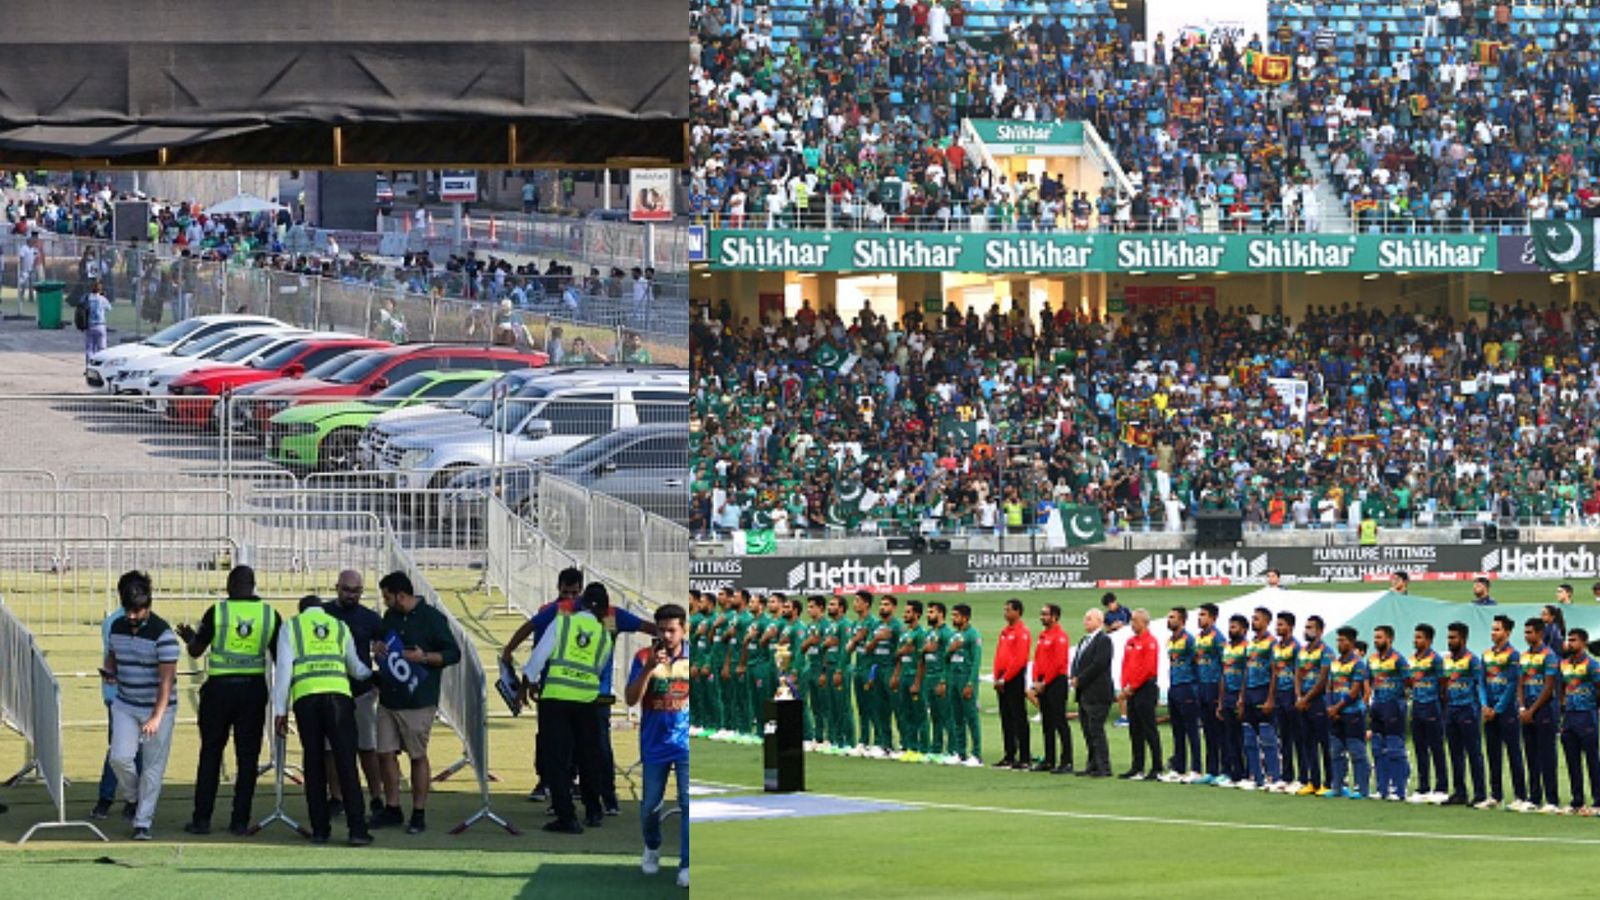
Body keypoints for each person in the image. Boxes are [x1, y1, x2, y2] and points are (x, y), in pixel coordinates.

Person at [173, 565, 281, 836]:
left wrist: (190, 638)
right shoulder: (269, 615)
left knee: (211, 753)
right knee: (248, 759)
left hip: (219, 690)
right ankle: (240, 821)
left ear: (230, 584)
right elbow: (280, 657)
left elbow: (196, 651)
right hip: (253, 690)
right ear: (253, 585)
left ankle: (201, 820)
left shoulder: (217, 612)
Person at [272, 595, 374, 845]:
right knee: (346, 763)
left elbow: (283, 670)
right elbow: (355, 667)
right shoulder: (339, 626)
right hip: (339, 698)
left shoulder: (292, 626)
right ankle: (357, 830)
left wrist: (280, 710)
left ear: (301, 610)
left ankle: (320, 830)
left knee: (314, 763)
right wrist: (375, 676)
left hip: (306, 699)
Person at [369, 570, 461, 835]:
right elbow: (382, 642)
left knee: (417, 755)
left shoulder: (432, 618)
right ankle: (393, 807)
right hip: (389, 698)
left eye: (387, 597)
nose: (385, 602)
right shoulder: (390, 617)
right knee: (384, 753)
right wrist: (378, 647)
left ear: (401, 595)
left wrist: (425, 657)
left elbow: (453, 653)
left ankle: (418, 812)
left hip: (419, 700)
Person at [526, 583, 614, 833]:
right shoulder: (605, 636)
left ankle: (566, 816)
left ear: (581, 603)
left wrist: (530, 682)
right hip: (587, 700)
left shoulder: (563, 622)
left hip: (555, 697)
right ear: (604, 610)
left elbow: (539, 655)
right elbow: (598, 667)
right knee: (589, 757)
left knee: (557, 758)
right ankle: (594, 810)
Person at [103, 570, 180, 840]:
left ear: (149, 605)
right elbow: (112, 656)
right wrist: (110, 671)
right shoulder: (116, 627)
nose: (133, 616)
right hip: (125, 703)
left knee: (152, 768)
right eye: (129, 610)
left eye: (138, 610)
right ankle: (134, 796)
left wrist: (157, 717)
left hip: (157, 708)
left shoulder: (164, 635)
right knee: (119, 758)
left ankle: (142, 823)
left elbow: (166, 681)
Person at [627, 603, 690, 890]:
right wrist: (649, 669)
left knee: (688, 803)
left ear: (683, 630)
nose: (666, 636)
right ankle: (652, 846)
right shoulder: (643, 657)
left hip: (685, 744)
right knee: (650, 806)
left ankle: (686, 863)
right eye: (661, 630)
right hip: (654, 743)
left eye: (672, 630)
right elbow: (631, 699)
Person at [321, 570, 386, 818]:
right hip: (331, 690)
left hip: (361, 692)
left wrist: (378, 676)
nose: (351, 595)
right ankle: (336, 797)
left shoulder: (370, 618)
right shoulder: (323, 614)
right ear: (337, 587)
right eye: (347, 590)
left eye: (356, 591)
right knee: (330, 750)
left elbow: (386, 649)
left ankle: (376, 796)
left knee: (367, 748)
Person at [91, 603, 141, 821]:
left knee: (123, 750)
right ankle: (121, 799)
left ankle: (113, 799)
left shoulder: (113, 621)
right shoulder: (118, 622)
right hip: (124, 696)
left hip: (122, 695)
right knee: (127, 751)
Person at [1481, 615, 1526, 810]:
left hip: (1507, 712)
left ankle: (1520, 796)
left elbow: (1512, 684)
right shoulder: (1486, 654)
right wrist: (1484, 705)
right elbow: (1482, 682)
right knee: (1493, 754)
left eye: (1497, 629)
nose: (1493, 632)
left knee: (1514, 753)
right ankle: (1495, 796)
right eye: (1492, 629)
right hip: (1489, 710)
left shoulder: (1513, 655)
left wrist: (1497, 709)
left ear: (1507, 632)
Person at [1442, 622, 1489, 807]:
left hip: (1468, 709)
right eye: (1448, 637)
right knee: (1455, 753)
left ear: (1463, 639)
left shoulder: (1473, 660)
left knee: (1473, 752)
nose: (1449, 641)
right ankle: (1459, 792)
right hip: (1451, 710)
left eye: (1453, 637)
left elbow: (1480, 684)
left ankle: (1480, 793)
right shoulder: (1447, 660)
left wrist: (1482, 706)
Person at [1519, 617, 1562, 814]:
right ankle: (1534, 797)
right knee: (1531, 754)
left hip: (1544, 709)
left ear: (1540, 634)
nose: (1526, 636)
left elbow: (1549, 687)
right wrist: (1522, 707)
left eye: (1530, 632)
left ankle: (1552, 799)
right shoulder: (1524, 656)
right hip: (1527, 709)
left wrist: (1532, 710)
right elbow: (1520, 682)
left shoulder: (1549, 655)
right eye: (1525, 632)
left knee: (1547, 755)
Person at [1325, 627, 1372, 799]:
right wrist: (1330, 707)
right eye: (1338, 640)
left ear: (1352, 643)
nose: (1339, 643)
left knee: (1356, 751)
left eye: (1343, 640)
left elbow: (1354, 692)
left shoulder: (1358, 664)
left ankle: (1362, 789)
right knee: (1336, 751)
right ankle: (1338, 787)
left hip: (1352, 713)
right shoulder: (1335, 663)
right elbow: (1329, 687)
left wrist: (1336, 708)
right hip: (1335, 713)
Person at [1238, 607, 1281, 791]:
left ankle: (1274, 777)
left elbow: (1275, 672)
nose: (1253, 621)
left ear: (1266, 622)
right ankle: (1255, 776)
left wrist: (1271, 698)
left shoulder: (1272, 644)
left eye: (1256, 619)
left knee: (1267, 737)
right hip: (1249, 693)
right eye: (1253, 618)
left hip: (1263, 692)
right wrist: (1241, 696)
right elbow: (1246, 670)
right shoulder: (1251, 643)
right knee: (1249, 737)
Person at [1406, 624, 1449, 805]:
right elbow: (1410, 682)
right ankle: (1423, 787)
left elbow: (1443, 684)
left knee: (1436, 748)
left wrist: (1441, 707)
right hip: (1417, 707)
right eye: (1415, 637)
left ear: (1429, 640)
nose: (1415, 640)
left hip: (1432, 707)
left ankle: (1441, 787)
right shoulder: (1411, 659)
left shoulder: (1436, 659)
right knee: (1420, 748)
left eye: (1419, 637)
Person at [1367, 625, 1411, 802]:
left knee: (1394, 748)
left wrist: (1401, 701)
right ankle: (1382, 788)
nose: (1376, 641)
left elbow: (1409, 682)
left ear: (1389, 639)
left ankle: (1399, 789)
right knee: (1377, 748)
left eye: (1379, 637)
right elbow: (1368, 681)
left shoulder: (1399, 659)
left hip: (1394, 706)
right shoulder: (1372, 659)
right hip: (1377, 705)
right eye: (1375, 637)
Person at [1559, 629, 1600, 814]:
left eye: (1574, 640)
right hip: (1569, 717)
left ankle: (1598, 802)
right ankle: (1577, 801)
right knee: (1572, 760)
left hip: (1586, 716)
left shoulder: (1592, 665)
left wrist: (1591, 705)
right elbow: (1562, 687)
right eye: (1569, 640)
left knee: (1592, 760)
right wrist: (1563, 706)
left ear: (1584, 642)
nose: (1570, 643)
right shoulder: (1564, 664)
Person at [1159, 607, 1201, 783]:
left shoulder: (1190, 640)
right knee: (1177, 730)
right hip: (1174, 687)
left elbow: (1197, 662)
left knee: (1191, 730)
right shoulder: (1170, 641)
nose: (1169, 620)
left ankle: (1196, 769)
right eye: (1168, 617)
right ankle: (1179, 767)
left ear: (1182, 620)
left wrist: (1195, 687)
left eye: (1173, 617)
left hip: (1188, 687)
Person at [1071, 608, 1113, 778]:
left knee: (1096, 730)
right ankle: (1093, 764)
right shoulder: (1084, 640)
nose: (1085, 621)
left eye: (1089, 619)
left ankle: (1104, 767)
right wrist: (1073, 675)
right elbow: (1078, 661)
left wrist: (1080, 679)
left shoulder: (1104, 640)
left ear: (1099, 621)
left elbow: (1099, 664)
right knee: (1087, 730)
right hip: (1084, 692)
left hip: (1098, 692)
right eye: (1085, 618)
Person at [1030, 603, 1072, 774]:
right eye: (1041, 613)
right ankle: (1049, 760)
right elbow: (1037, 659)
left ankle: (1066, 761)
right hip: (1043, 683)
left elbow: (1058, 663)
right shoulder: (1043, 635)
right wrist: (1035, 680)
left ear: (1054, 617)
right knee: (1047, 722)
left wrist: (1044, 682)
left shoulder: (1060, 636)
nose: (1042, 617)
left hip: (1056, 682)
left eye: (1045, 614)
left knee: (1060, 722)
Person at [1119, 609, 1161, 780]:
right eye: (1131, 621)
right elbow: (1126, 665)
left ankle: (1157, 767)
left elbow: (1148, 668)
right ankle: (1137, 766)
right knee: (1134, 729)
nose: (1132, 624)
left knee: (1149, 728)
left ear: (1144, 622)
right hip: (1131, 690)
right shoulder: (1130, 642)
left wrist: (1133, 686)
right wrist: (1124, 685)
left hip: (1145, 688)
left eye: (1135, 621)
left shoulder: (1150, 642)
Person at [1295, 616, 1332, 797]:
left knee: (1324, 743)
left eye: (1310, 627)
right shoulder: (1302, 651)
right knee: (1308, 742)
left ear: (1320, 630)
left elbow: (1322, 681)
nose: (1306, 630)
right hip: (1303, 701)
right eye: (1306, 627)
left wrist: (1306, 698)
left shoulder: (1326, 651)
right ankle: (1313, 781)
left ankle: (1329, 782)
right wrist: (1298, 697)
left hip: (1318, 701)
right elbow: (1297, 675)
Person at [993, 598, 1032, 769]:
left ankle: (1024, 757)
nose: (1005, 613)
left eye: (1009, 610)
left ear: (1018, 612)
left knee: (1019, 717)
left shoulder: (1022, 632)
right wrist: (996, 676)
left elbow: (1020, 659)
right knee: (1006, 717)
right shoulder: (1004, 632)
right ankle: (1009, 754)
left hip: (1014, 678)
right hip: (1002, 678)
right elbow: (998, 655)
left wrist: (1005, 678)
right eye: (1005, 609)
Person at [890, 599, 929, 759]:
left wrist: (917, 683)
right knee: (906, 713)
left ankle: (924, 749)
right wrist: (895, 676)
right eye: (905, 612)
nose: (904, 615)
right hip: (903, 677)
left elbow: (922, 660)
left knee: (919, 714)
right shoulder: (904, 633)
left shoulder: (921, 634)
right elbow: (898, 657)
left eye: (908, 612)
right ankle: (911, 747)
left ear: (917, 614)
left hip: (914, 677)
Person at [1269, 612, 1302, 793]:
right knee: (1284, 738)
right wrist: (1271, 697)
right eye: (1277, 624)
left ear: (1290, 627)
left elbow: (1299, 674)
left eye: (1281, 624)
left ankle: (1303, 778)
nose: (1277, 627)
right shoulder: (1276, 647)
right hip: (1280, 696)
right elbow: (1275, 672)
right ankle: (1287, 777)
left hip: (1291, 695)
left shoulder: (1296, 647)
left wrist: (1298, 696)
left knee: (1298, 737)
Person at [947, 603, 983, 766]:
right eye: (952, 615)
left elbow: (976, 661)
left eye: (956, 616)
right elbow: (946, 659)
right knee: (957, 717)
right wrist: (950, 650)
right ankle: (960, 753)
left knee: (971, 718)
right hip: (953, 679)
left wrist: (970, 683)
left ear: (965, 618)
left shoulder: (973, 635)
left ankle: (976, 754)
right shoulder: (954, 635)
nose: (953, 618)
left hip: (965, 679)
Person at [1215, 615, 1250, 787]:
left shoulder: (1247, 647)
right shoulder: (1227, 647)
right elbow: (1223, 674)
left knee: (1243, 737)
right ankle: (1233, 773)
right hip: (1228, 695)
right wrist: (1220, 702)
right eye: (1230, 626)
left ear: (1244, 630)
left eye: (1234, 627)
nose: (1231, 630)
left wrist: (1242, 698)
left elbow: (1247, 674)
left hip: (1240, 695)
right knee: (1229, 736)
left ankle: (1248, 773)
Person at [1194, 603, 1225, 785]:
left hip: (1214, 687)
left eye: (1204, 615)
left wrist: (1221, 695)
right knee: (1207, 731)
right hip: (1202, 688)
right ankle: (1211, 770)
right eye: (1199, 614)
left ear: (1213, 618)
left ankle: (1222, 769)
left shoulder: (1218, 638)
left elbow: (1224, 665)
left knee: (1218, 731)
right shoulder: (1199, 637)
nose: (1200, 618)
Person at [922, 602, 955, 762]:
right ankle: (936, 748)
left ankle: (953, 750)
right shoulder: (929, 633)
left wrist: (943, 680)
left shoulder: (947, 633)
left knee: (947, 715)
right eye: (928, 612)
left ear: (941, 614)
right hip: (928, 678)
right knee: (935, 716)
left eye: (932, 612)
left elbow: (950, 659)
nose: (928, 615)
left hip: (940, 678)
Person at [1101, 592, 1131, 726]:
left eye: (1110, 604)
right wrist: (1112, 628)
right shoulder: (1107, 616)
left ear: (1114, 601)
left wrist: (1123, 626)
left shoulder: (1125, 611)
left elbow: (1130, 625)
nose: (1110, 607)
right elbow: (1106, 631)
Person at [82, 280, 111, 363]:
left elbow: (82, 306)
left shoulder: (87, 298)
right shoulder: (102, 299)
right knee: (101, 347)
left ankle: (89, 364)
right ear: (100, 290)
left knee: (90, 347)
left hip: (90, 324)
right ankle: (100, 363)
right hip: (100, 325)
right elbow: (109, 308)